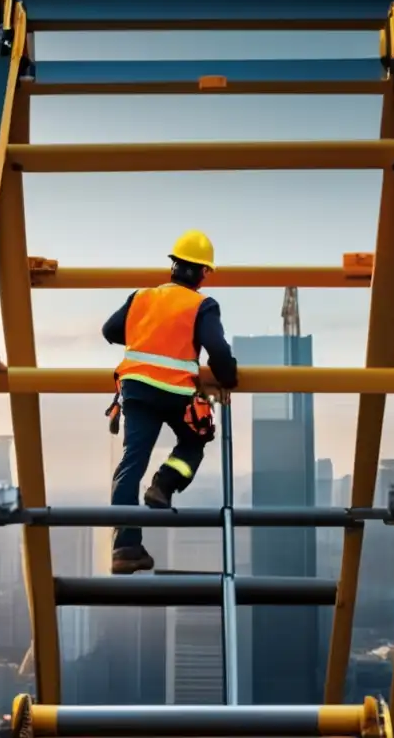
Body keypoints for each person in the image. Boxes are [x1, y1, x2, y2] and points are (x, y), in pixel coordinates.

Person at [101, 230, 239, 575]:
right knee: (196, 439)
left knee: (131, 463)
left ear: (173, 266)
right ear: (204, 272)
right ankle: (164, 485)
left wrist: (146, 334)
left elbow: (110, 330)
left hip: (136, 391)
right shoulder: (202, 305)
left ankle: (125, 548)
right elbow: (218, 350)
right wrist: (228, 379)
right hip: (176, 393)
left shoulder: (142, 296)